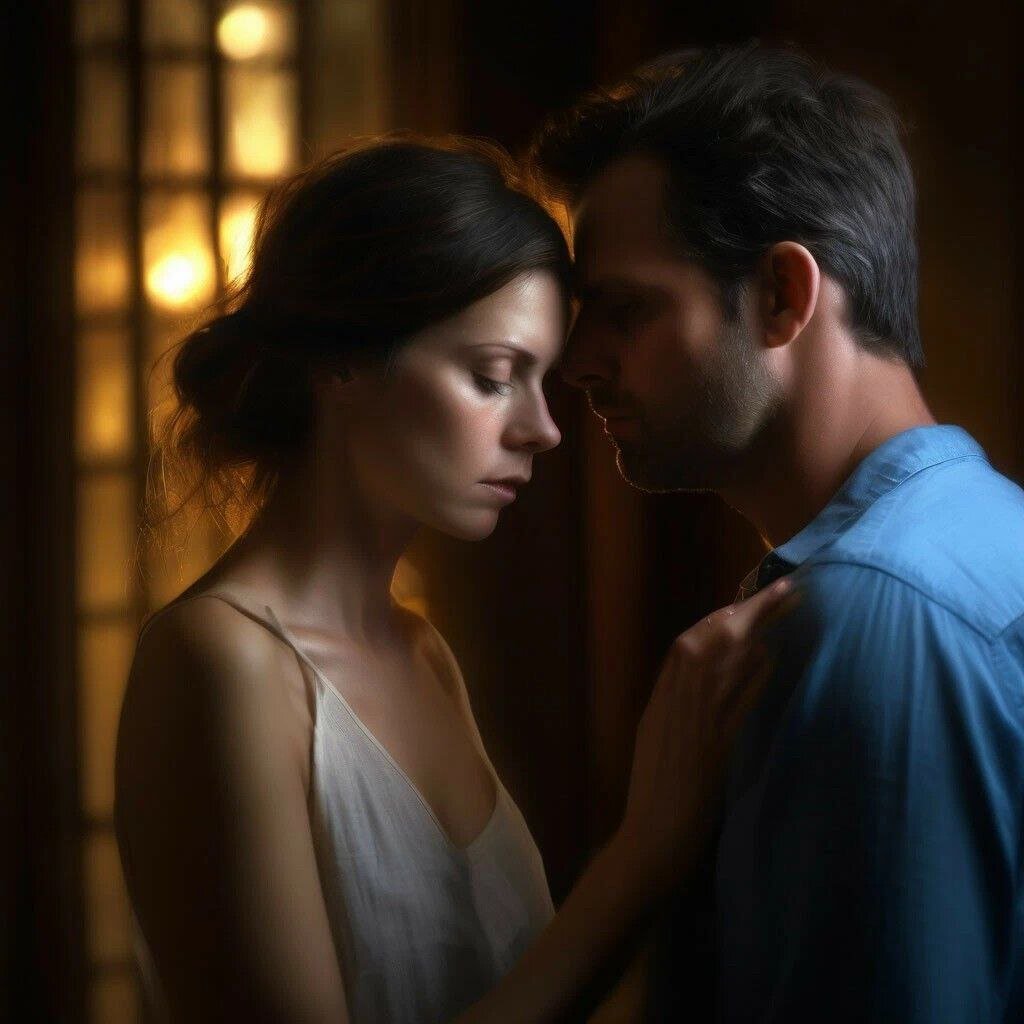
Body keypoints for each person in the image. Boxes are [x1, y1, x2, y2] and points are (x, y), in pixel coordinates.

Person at [115, 134, 795, 1024]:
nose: (544, 429)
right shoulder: (219, 660)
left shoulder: (421, 650)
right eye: (493, 376)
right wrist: (640, 858)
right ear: (343, 359)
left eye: (543, 381)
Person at [531, 42, 1024, 1022]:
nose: (576, 360)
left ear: (783, 296)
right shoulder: (984, 533)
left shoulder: (874, 611)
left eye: (623, 310)